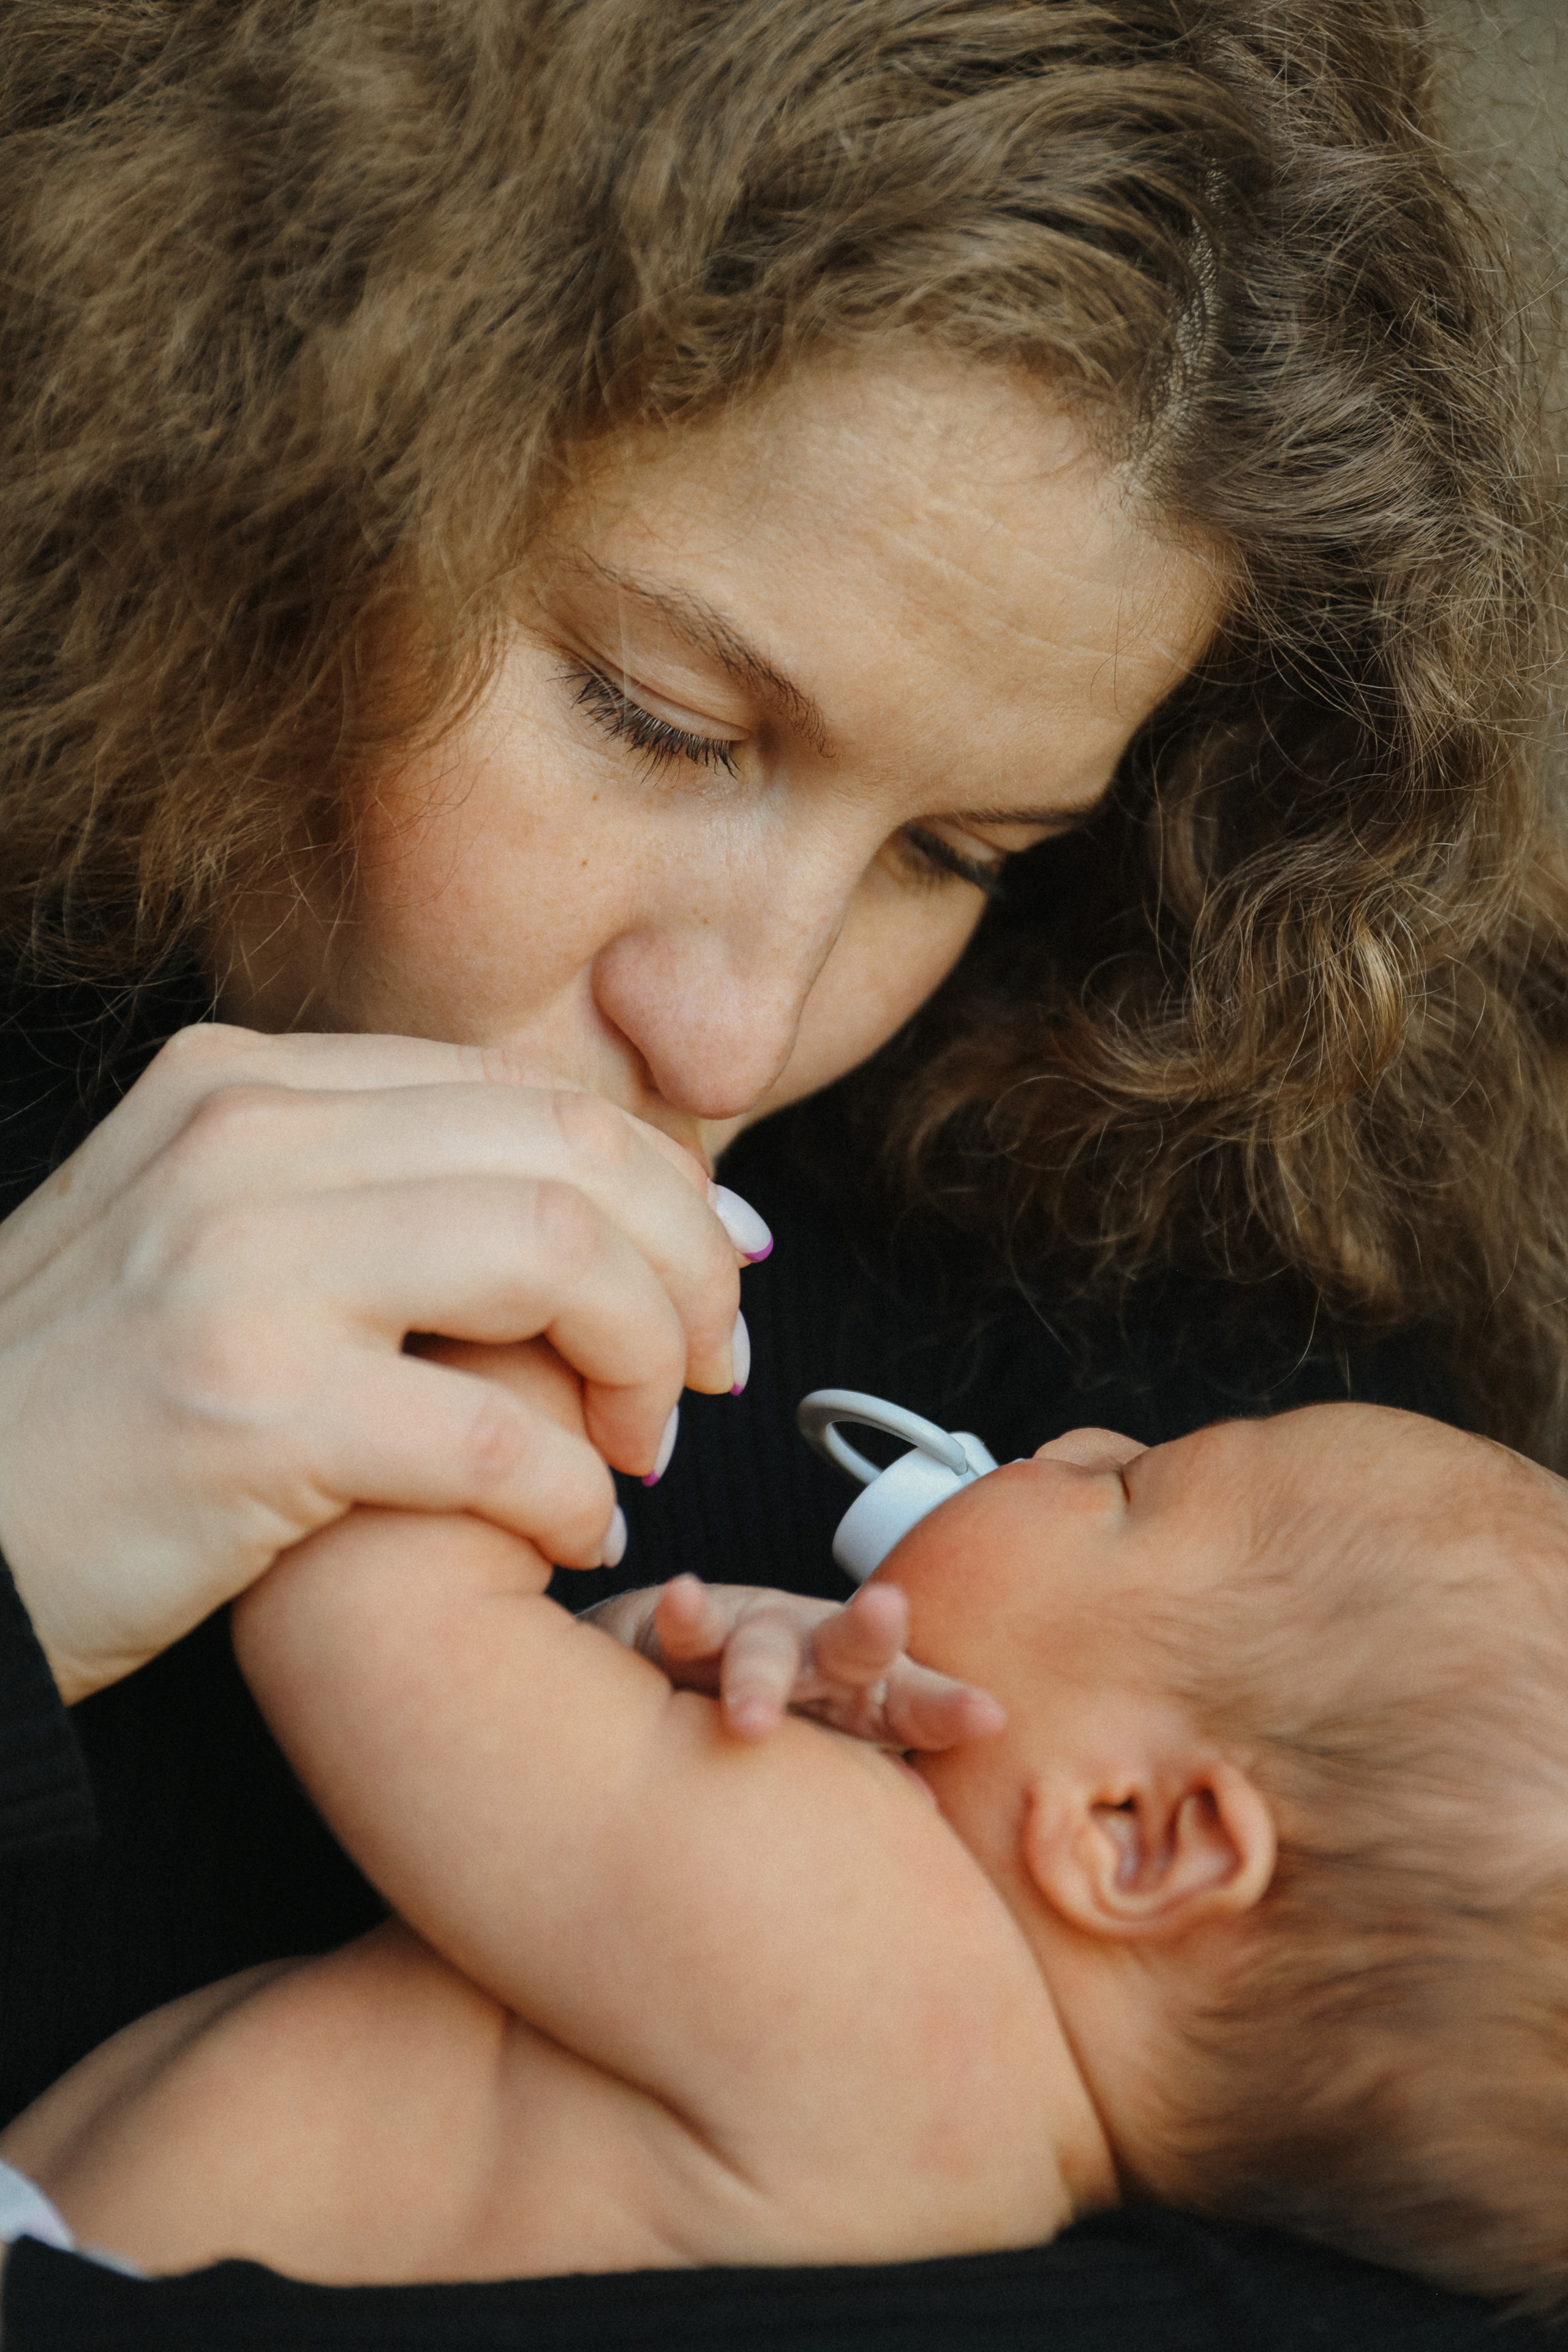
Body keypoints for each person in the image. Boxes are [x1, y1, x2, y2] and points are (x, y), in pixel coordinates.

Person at [0, 1, 1562, 2344]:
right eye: (662, 716)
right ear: (273, 465)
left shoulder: (1210, 1339)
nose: (741, 1026)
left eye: (960, 850)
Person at [5, 1392, 1567, 2318]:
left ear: (1133, 1837)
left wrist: (515, 1330)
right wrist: (639, 1662)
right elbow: (529, 1804)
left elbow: (366, 1626)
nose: (1078, 1431)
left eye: (1121, 1489)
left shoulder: (861, 1928)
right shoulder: (976, 2176)